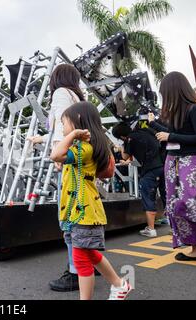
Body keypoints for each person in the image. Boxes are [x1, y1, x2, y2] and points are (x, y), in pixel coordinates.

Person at [51, 102, 133, 300]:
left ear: (78, 122)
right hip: (77, 211)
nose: (62, 128)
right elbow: (59, 158)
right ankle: (119, 284)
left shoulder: (85, 147)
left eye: (64, 123)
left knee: (80, 259)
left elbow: (55, 154)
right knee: (88, 254)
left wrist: (71, 136)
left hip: (83, 211)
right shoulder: (83, 148)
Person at [28, 64, 86, 292]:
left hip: (69, 160)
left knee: (69, 218)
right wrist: (42, 139)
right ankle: (89, 262)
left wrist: (57, 155)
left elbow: (64, 127)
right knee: (83, 213)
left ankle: (75, 271)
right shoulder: (77, 95)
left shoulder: (61, 94)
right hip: (82, 158)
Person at [148, 71, 196, 261]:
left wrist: (171, 137)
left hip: (193, 160)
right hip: (173, 161)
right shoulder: (176, 113)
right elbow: (172, 135)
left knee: (191, 202)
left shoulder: (195, 109)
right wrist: (154, 125)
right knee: (174, 204)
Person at [112, 122, 167, 238]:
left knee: (148, 197)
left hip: (149, 170)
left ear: (121, 136)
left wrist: (123, 145)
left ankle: (151, 229)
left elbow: (125, 157)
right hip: (163, 166)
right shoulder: (145, 131)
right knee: (166, 195)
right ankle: (174, 226)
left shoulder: (129, 139)